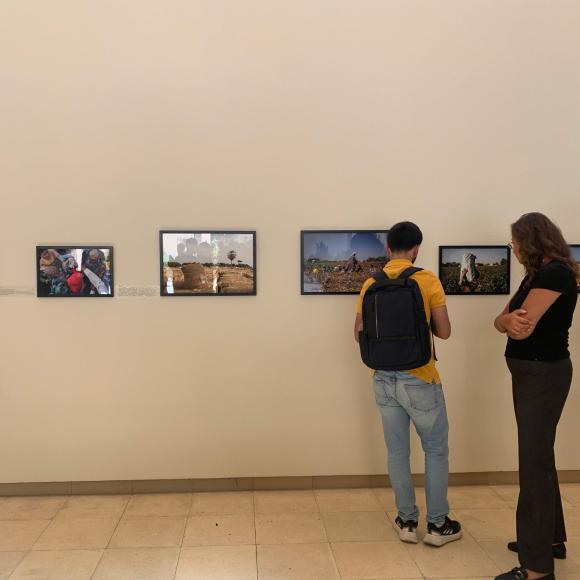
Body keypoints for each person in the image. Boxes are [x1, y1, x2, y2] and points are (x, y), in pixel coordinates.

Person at [354, 221, 462, 547]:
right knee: (436, 451)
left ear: (388, 248)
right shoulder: (426, 279)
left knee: (397, 452)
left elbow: (359, 331)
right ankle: (438, 525)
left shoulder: (370, 282)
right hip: (420, 378)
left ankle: (406, 521)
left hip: (382, 378)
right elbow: (443, 332)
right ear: (416, 248)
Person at [494, 213, 578, 580]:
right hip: (533, 376)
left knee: (533, 465)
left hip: (542, 377)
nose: (513, 248)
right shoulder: (536, 276)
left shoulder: (556, 274)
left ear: (530, 239)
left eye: (514, 241)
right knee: (540, 457)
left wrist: (509, 324)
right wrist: (505, 322)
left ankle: (537, 567)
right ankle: (551, 540)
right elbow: (503, 320)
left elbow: (521, 328)